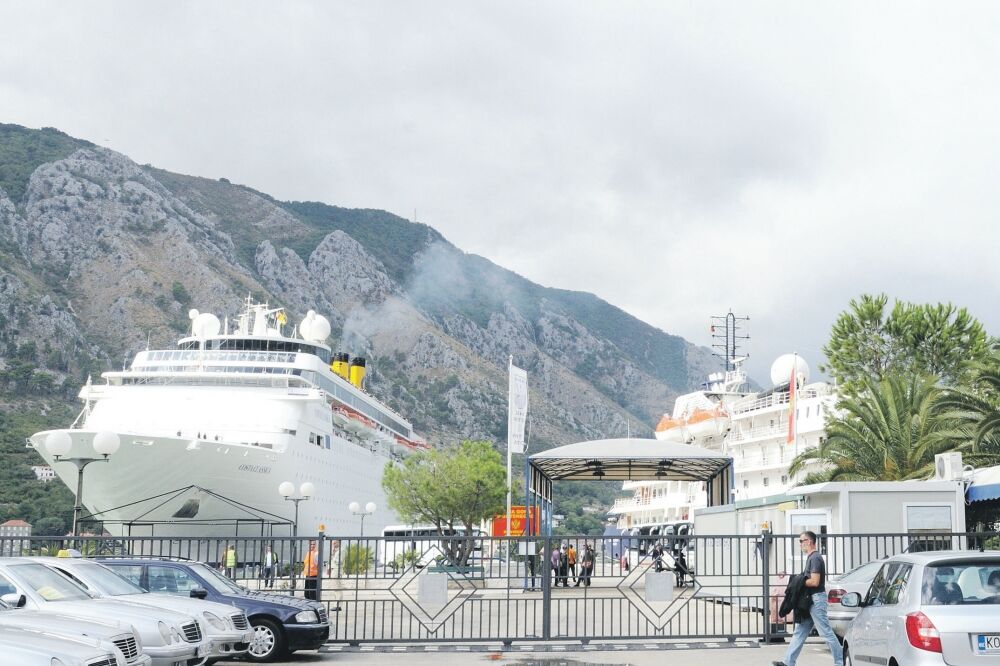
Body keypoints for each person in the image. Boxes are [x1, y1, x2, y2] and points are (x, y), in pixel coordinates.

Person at [773, 531, 843, 666]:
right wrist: (795, 579)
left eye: (801, 541)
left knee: (826, 632)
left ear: (809, 542)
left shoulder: (815, 558)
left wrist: (797, 581)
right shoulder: (811, 558)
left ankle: (839, 662)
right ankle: (788, 662)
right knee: (799, 631)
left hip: (816, 600)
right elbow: (807, 579)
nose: (800, 544)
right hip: (809, 600)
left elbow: (815, 581)